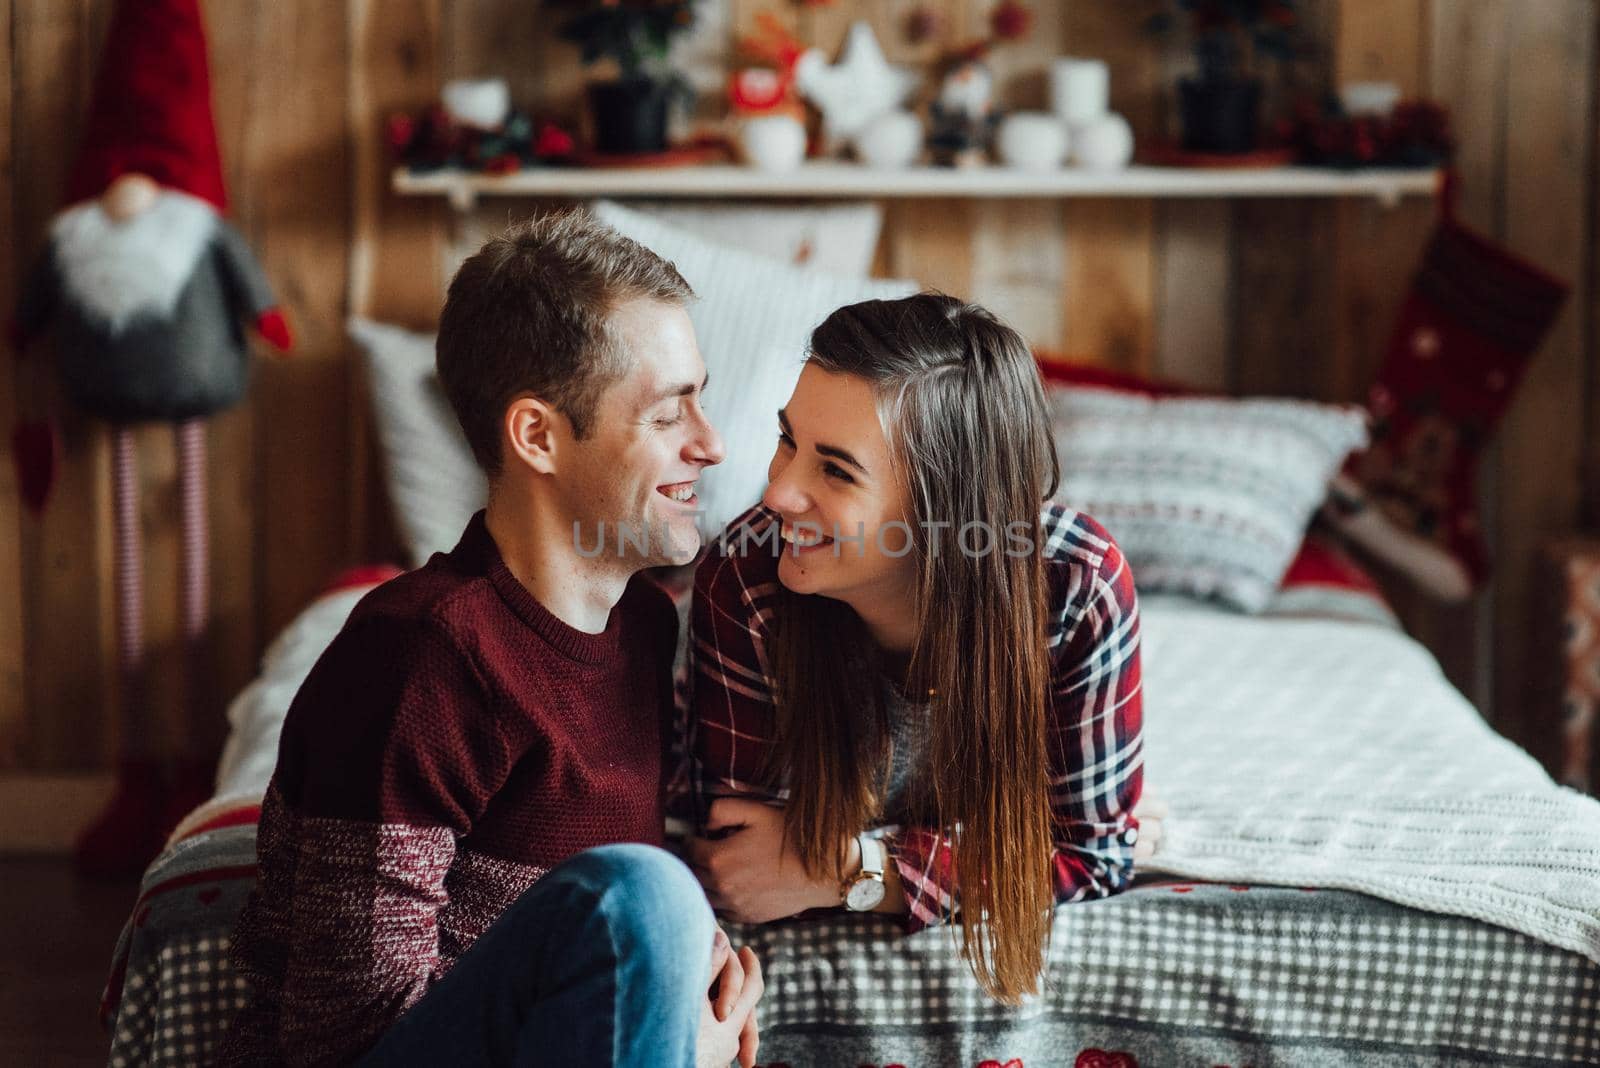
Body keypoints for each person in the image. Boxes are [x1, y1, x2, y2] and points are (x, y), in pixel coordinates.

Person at [219, 210, 762, 1067]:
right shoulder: (421, 653)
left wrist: (684, 974)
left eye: (701, 397)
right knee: (644, 893)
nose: (713, 443)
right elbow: (340, 1037)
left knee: (668, 900)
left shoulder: (651, 626)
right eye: (667, 414)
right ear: (538, 436)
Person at [686, 292, 1153, 1003]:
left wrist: (854, 869)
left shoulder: (1077, 588)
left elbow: (1089, 857)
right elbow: (749, 861)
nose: (777, 492)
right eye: (788, 441)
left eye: (835, 471)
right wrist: (996, 849)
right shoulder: (746, 583)